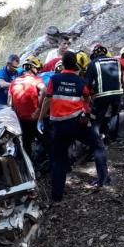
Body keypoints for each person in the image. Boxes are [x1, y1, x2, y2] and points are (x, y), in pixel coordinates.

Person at [38, 51, 109, 202]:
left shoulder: (54, 80)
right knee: (98, 146)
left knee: (58, 159)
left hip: (58, 126)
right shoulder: (80, 82)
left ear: (63, 64)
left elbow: (47, 100)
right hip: (77, 123)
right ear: (75, 64)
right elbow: (88, 100)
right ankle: (104, 179)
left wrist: (40, 118)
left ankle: (57, 196)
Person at [8, 56, 45, 158]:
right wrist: (38, 109)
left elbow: (10, 104)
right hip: (35, 119)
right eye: (37, 69)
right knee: (48, 141)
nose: (38, 71)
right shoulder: (35, 79)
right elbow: (45, 90)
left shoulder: (13, 82)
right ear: (33, 68)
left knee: (26, 145)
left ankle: (30, 167)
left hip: (21, 121)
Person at [86, 43, 123, 143]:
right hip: (118, 93)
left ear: (94, 55)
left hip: (102, 95)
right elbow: (122, 79)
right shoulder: (117, 61)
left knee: (96, 117)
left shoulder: (93, 63)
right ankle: (114, 137)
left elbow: (87, 84)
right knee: (115, 113)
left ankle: (97, 139)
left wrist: (89, 97)